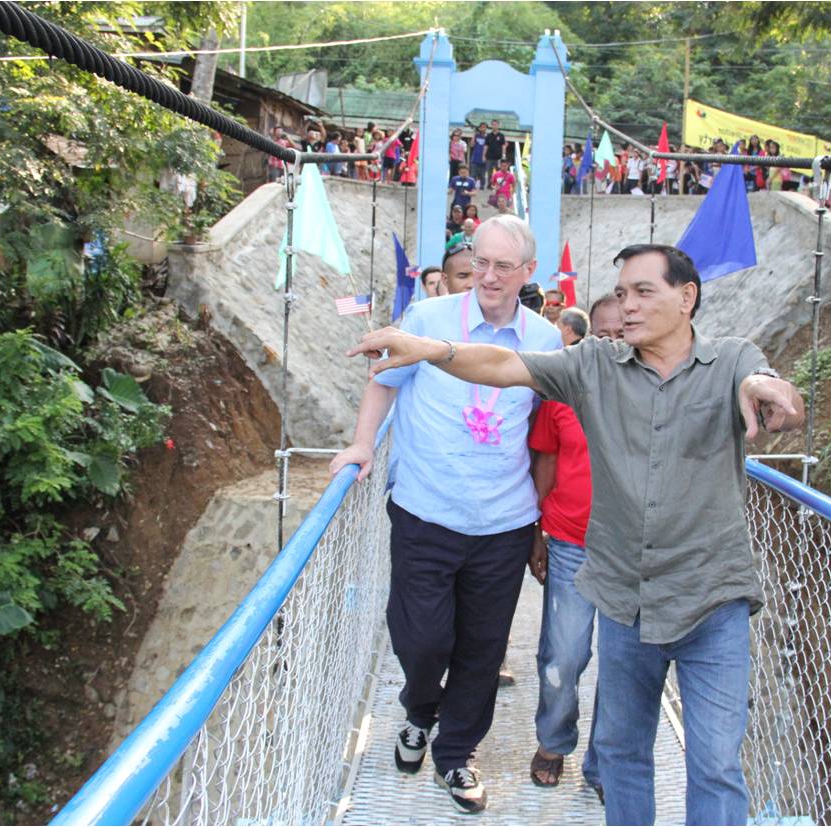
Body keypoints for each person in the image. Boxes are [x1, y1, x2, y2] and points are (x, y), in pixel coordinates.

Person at [343, 243, 805, 826]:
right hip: (624, 597)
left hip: (711, 598)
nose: (628, 306)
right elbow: (501, 366)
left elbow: (775, 390)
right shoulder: (594, 366)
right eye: (620, 293)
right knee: (621, 752)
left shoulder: (734, 361)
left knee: (714, 764)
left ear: (686, 298)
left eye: (643, 292)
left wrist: (774, 396)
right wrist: (432, 349)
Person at [330, 215, 562, 815]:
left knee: (482, 649)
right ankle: (417, 710)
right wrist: (361, 444)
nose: (487, 276)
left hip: (503, 522)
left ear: (527, 274)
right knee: (423, 638)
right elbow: (384, 381)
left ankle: (456, 754)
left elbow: (548, 430)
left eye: (503, 266)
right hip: (425, 510)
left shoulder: (545, 339)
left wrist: (544, 518)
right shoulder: (430, 319)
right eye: (479, 261)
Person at [526, 298, 609, 794]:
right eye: (600, 333)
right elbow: (547, 460)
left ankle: (605, 763)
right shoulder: (565, 392)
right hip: (571, 540)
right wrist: (536, 530)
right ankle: (554, 740)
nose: (611, 342)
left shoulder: (657, 393)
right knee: (565, 653)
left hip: (633, 552)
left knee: (624, 668)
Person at [470, 122, 489, 187]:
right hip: (475, 158)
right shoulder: (476, 135)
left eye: (484, 127)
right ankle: (472, 186)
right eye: (482, 127)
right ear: (479, 128)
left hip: (484, 158)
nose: (483, 128)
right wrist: (474, 135)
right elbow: (472, 145)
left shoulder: (488, 136)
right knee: (473, 174)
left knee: (482, 175)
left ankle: (482, 187)